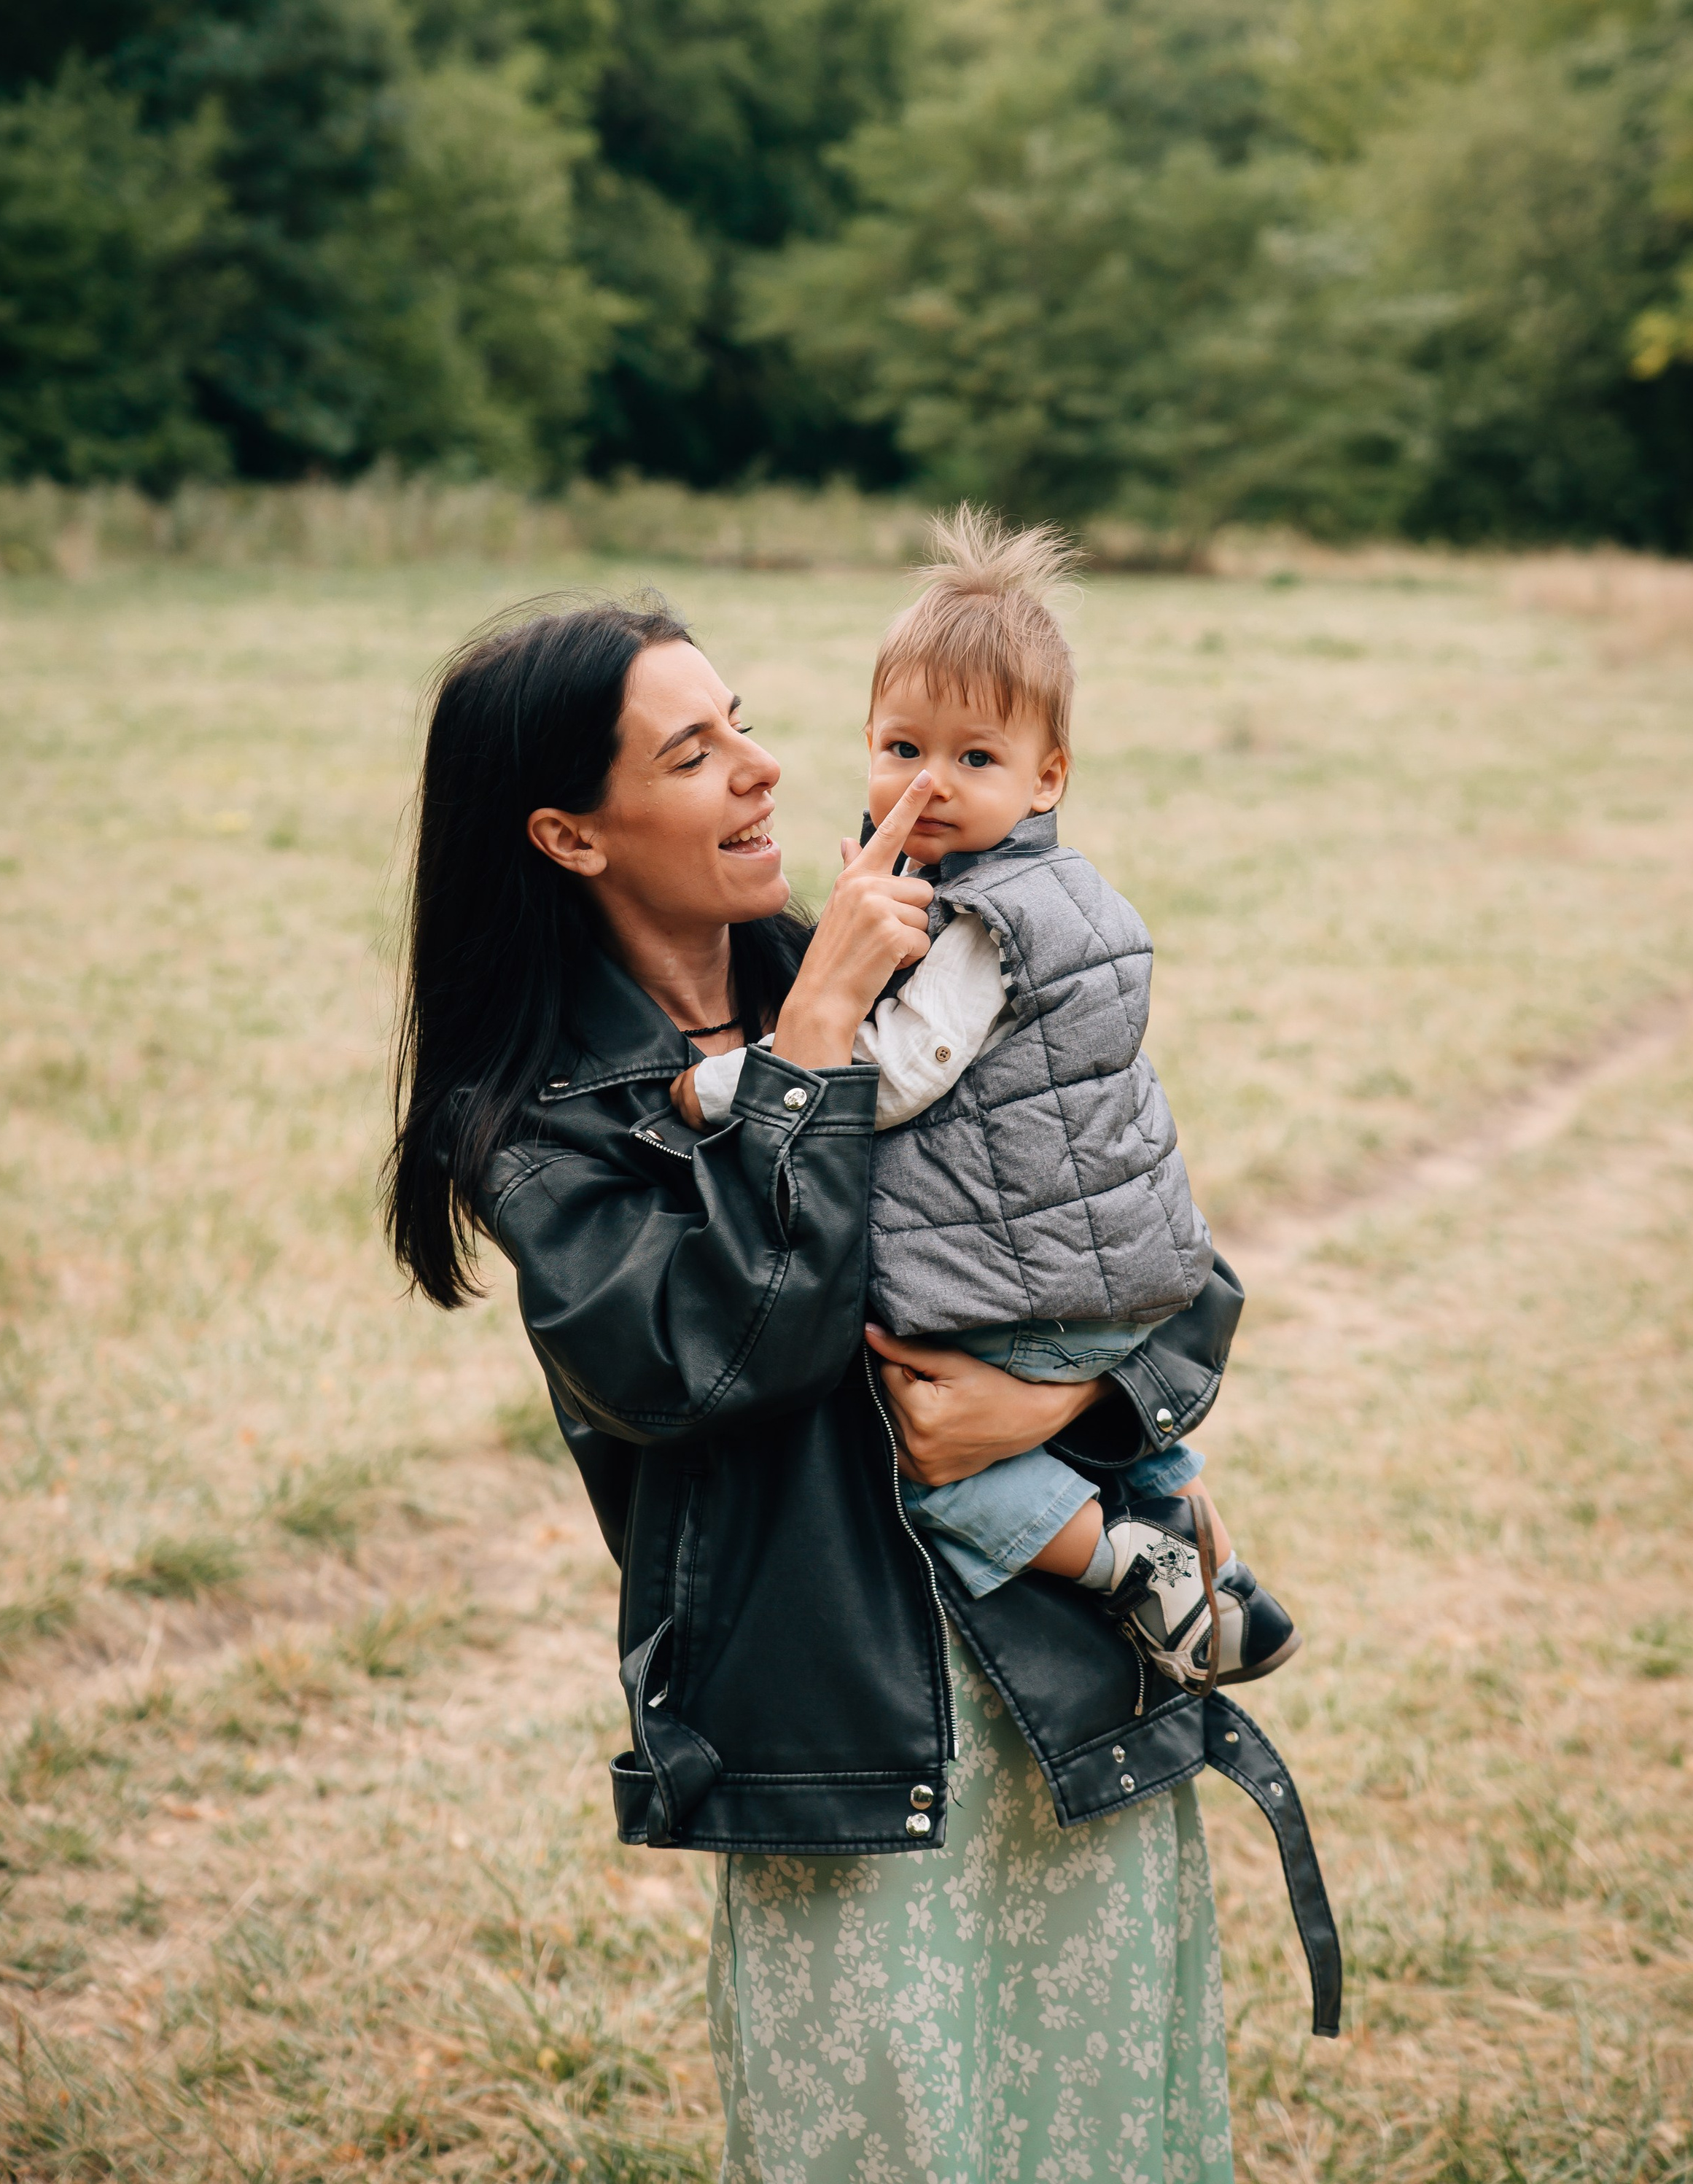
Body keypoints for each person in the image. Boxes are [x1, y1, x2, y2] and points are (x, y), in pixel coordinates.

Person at [385, 591, 1336, 2184]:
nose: (764, 770)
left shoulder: (936, 954)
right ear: (568, 836)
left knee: (1107, 2132)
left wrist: (1071, 1412)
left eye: (746, 719)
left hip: (1063, 1671)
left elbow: (1146, 1253)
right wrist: (813, 1037)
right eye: (694, 753)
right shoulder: (557, 1126)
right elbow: (714, 1357)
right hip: (841, 1728)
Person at [674, 510, 1298, 1694]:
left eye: (975, 759)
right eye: (903, 748)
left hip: (1031, 1292)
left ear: (1047, 775)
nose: (932, 784)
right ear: (866, 743)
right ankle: (1206, 1557)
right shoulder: (1062, 890)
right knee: (1125, 1451)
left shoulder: (982, 917)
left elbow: (898, 1077)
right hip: (1122, 1274)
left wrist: (717, 1086)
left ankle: (1128, 1568)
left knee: (931, 1472)